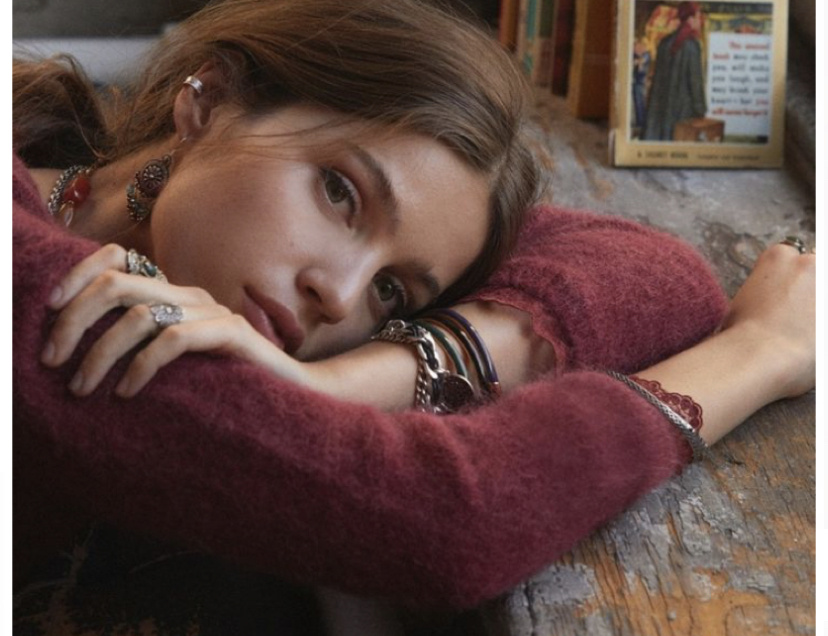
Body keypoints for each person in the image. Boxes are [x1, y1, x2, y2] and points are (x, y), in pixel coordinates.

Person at [14, 0, 814, 617]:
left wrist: (356, 376)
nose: (339, 295)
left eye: (391, 291)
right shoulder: (52, 293)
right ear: (210, 99)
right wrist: (760, 352)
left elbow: (656, 272)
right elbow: (451, 521)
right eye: (340, 193)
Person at [642, 1, 707, 141]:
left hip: (661, 107)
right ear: (690, 19)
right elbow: (695, 82)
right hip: (682, 111)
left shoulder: (665, 42)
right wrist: (700, 109)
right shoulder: (692, 45)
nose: (700, 21)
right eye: (698, 17)